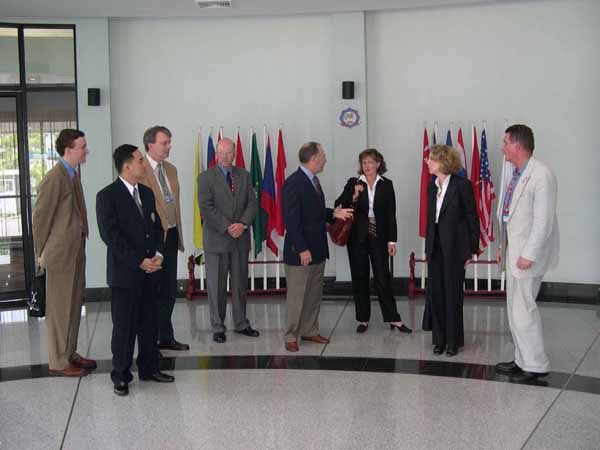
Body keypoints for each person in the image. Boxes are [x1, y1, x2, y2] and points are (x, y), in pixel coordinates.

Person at [96, 144, 175, 396]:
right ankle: (120, 374)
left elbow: (157, 228)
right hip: (126, 275)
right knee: (125, 326)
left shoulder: (148, 193)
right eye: (141, 160)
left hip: (151, 272)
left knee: (149, 323)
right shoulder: (107, 196)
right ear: (127, 165)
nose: (144, 163)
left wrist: (159, 255)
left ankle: (149, 368)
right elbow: (111, 236)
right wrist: (138, 260)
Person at [495, 124, 559, 382]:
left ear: (517, 145)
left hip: (528, 257)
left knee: (524, 310)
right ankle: (522, 359)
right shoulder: (517, 172)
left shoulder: (541, 174)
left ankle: (536, 364)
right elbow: (510, 216)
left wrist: (529, 254)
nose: (503, 147)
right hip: (515, 252)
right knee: (514, 308)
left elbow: (544, 221)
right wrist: (504, 247)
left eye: (505, 142)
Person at [32, 128, 96, 377]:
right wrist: (40, 253)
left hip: (75, 251)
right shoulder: (54, 178)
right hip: (60, 256)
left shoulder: (72, 175)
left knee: (73, 304)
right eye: (82, 146)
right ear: (68, 150)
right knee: (60, 309)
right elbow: (40, 220)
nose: (86, 150)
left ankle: (69, 352)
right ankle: (58, 361)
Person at [282, 142, 353, 352]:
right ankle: (291, 335)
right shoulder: (293, 183)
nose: (325, 160)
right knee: (297, 296)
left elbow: (314, 211)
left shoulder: (313, 179)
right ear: (313, 159)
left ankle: (310, 330)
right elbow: (291, 220)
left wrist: (333, 214)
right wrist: (302, 248)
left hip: (318, 248)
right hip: (301, 251)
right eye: (323, 156)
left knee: (313, 294)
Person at [335, 149, 412, 334]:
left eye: (370, 162)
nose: (367, 166)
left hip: (379, 236)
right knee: (360, 278)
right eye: (364, 162)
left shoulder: (387, 185)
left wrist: (392, 241)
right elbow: (340, 204)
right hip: (357, 237)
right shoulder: (353, 182)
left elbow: (390, 215)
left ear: (378, 164)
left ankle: (394, 318)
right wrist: (353, 195)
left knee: (383, 277)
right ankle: (363, 319)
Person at [197, 137, 259, 343]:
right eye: (221, 152)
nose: (225, 156)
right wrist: (227, 226)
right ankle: (218, 327)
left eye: (229, 152)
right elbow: (206, 207)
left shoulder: (244, 175)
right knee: (216, 286)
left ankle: (241, 323)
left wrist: (242, 224)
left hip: (240, 239)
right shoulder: (205, 177)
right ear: (216, 154)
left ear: (234, 154)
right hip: (217, 240)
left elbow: (252, 203)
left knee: (240, 283)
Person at [424, 144, 479, 357]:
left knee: (453, 294)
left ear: (442, 161)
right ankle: (439, 339)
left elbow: (472, 218)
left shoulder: (462, 185)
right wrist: (428, 248)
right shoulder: (431, 186)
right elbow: (431, 221)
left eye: (430, 158)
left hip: (456, 249)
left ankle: (453, 341)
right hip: (435, 247)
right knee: (436, 293)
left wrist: (471, 250)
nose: (427, 162)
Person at [140, 126, 189, 351]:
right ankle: (152, 339)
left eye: (170, 142)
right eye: (165, 142)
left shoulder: (170, 169)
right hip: (152, 240)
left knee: (169, 290)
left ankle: (166, 336)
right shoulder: (140, 170)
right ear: (150, 145)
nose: (169, 146)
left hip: (171, 234)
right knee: (153, 292)